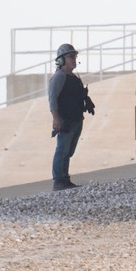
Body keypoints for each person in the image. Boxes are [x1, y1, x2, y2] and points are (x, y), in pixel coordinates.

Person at [48, 43, 95, 190]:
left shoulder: (73, 77)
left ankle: (65, 179)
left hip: (76, 119)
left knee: (68, 151)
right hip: (65, 120)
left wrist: (87, 102)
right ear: (61, 60)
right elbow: (52, 99)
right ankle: (59, 180)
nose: (74, 59)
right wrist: (56, 119)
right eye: (70, 57)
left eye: (74, 56)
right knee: (62, 150)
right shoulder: (59, 77)